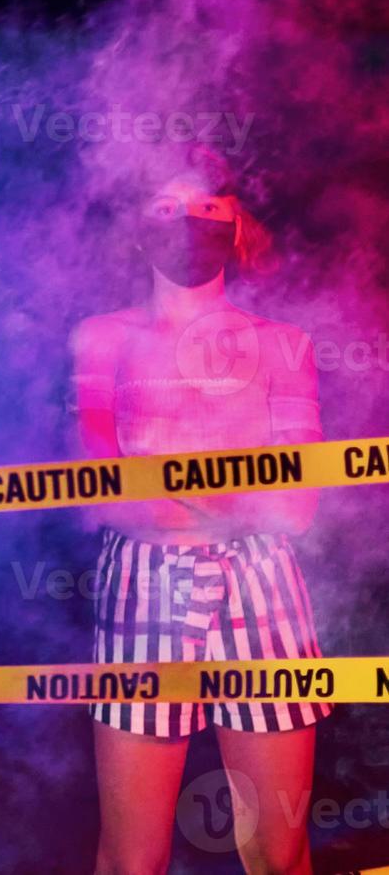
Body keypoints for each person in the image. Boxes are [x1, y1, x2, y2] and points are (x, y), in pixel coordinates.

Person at [69, 152, 327, 875]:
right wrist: (237, 497)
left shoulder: (283, 344)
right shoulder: (104, 338)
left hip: (263, 587)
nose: (186, 223)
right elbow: (98, 492)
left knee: (276, 853)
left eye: (205, 207)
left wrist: (165, 491)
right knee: (131, 859)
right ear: (135, 226)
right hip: (142, 591)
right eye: (163, 207)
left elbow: (296, 509)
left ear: (235, 223)